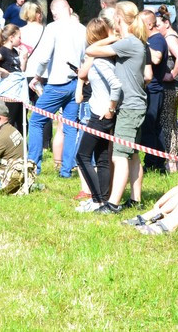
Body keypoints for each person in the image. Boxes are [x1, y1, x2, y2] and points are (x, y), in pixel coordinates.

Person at [84, 1, 151, 214]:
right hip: (137, 105)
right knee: (132, 155)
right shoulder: (136, 41)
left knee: (119, 155)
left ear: (119, 19)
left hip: (130, 108)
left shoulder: (129, 42)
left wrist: (112, 38)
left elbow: (91, 49)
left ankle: (112, 204)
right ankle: (135, 199)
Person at [27, 0, 86, 178]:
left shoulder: (53, 27)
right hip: (77, 83)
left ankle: (33, 165)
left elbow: (44, 57)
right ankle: (67, 170)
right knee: (70, 126)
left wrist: (37, 76)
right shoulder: (82, 28)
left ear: (54, 13)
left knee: (36, 121)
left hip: (57, 83)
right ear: (70, 9)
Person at [74, 18, 122, 212]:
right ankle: (101, 199)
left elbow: (116, 85)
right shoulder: (98, 58)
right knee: (101, 157)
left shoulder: (101, 61)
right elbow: (82, 73)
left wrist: (110, 109)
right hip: (98, 110)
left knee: (81, 156)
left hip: (101, 115)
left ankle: (96, 199)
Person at [155, 7, 178, 171]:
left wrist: (172, 74)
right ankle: (176, 160)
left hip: (171, 86)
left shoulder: (169, 38)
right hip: (175, 86)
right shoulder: (170, 36)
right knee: (172, 123)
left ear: (166, 23)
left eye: (158, 24)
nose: (156, 28)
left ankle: (171, 162)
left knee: (166, 123)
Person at [0, 24, 28, 132]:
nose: (21, 40)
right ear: (11, 38)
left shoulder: (15, 51)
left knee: (21, 123)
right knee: (9, 121)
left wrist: (24, 58)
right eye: (19, 37)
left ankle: (19, 145)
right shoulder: (3, 51)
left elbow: (21, 69)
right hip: (8, 93)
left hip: (18, 92)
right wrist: (3, 71)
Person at [140, 10, 169, 173]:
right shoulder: (152, 39)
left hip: (154, 90)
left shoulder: (156, 39)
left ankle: (151, 162)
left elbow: (157, 58)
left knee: (149, 126)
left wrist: (142, 46)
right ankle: (158, 161)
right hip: (153, 90)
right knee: (155, 128)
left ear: (150, 24)